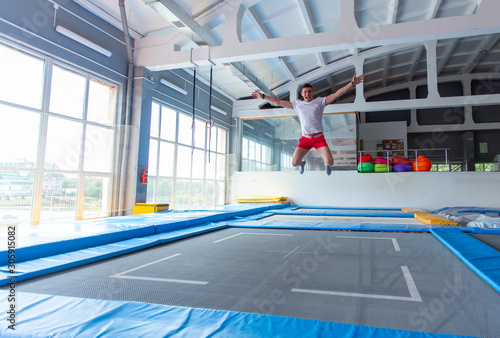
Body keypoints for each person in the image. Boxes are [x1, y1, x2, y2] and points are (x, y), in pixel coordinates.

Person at [252, 73, 365, 175]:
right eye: (305, 92)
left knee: (330, 162)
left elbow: (336, 94)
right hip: (305, 139)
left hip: (319, 138)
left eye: (309, 91)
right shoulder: (297, 104)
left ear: (312, 92)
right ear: (302, 94)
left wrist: (351, 84)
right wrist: (262, 96)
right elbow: (279, 102)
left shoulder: (319, 102)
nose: (307, 93)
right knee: (294, 163)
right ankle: (302, 164)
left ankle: (326, 164)